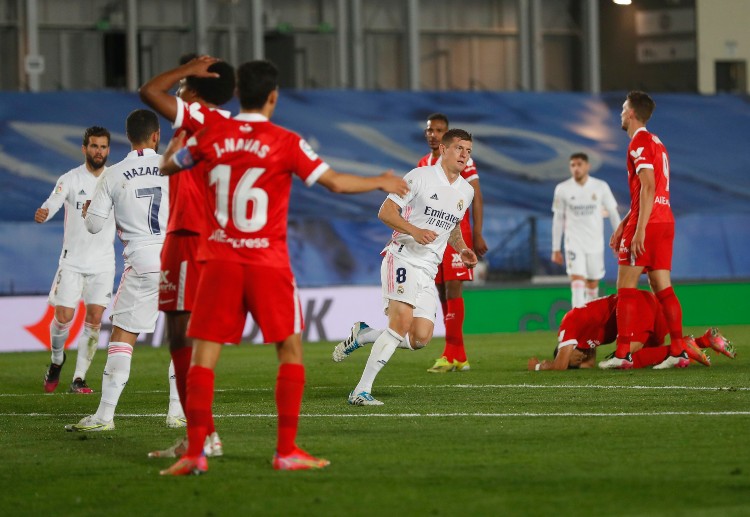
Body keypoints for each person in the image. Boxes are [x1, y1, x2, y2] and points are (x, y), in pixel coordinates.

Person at [157, 59, 409, 475]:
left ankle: (195, 453)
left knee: (203, 357)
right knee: (289, 350)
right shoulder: (285, 141)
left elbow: (169, 166)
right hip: (266, 263)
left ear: (238, 93)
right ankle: (286, 450)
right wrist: (380, 179)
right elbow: (335, 183)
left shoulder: (211, 134)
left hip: (219, 258)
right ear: (273, 97)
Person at [335, 128, 477, 406]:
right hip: (402, 257)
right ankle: (360, 391)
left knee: (420, 338)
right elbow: (385, 211)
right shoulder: (419, 176)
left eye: (469, 151)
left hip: (428, 269)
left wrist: (462, 249)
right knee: (399, 324)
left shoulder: (466, 191)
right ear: (445, 150)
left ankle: (363, 335)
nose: (464, 155)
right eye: (459, 148)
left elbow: (454, 226)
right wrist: (413, 230)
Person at [139, 54, 235, 458]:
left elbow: (148, 91)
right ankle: (203, 433)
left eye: (185, 83)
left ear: (195, 87)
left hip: (188, 234)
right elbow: (169, 167)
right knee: (193, 339)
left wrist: (184, 69)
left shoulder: (196, 115)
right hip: (212, 238)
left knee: (181, 337)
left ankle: (202, 437)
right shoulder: (224, 126)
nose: (177, 89)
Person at [65, 109, 169, 432]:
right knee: (184, 336)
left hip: (141, 261)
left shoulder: (114, 173)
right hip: (179, 259)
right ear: (156, 136)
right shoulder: (175, 166)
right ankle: (178, 412)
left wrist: (86, 210)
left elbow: (95, 225)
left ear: (128, 138)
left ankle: (104, 416)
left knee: (123, 336)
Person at [599, 91, 688, 370]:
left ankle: (623, 353)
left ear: (632, 114)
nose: (621, 113)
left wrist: (637, 231)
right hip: (664, 221)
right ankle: (678, 350)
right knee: (662, 287)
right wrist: (625, 223)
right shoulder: (657, 143)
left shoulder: (638, 142)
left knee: (625, 287)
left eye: (624, 109)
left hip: (648, 225)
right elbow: (648, 192)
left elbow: (647, 186)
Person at [36, 126, 115, 394]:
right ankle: (57, 360)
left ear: (108, 150)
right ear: (84, 149)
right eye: (94, 146)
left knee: (94, 320)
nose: (99, 151)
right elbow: (53, 201)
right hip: (72, 262)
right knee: (63, 318)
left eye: (103, 147)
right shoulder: (70, 178)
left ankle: (79, 378)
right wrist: (45, 213)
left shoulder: (115, 179)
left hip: (103, 263)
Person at [418, 113, 488, 373]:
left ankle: (450, 353)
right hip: (435, 236)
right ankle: (459, 355)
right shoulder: (424, 163)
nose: (432, 135)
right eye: (429, 130)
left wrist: (478, 233)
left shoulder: (464, 162)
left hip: (458, 233)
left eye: (438, 130)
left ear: (447, 137)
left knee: (453, 289)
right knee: (441, 292)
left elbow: (476, 196)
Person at [527, 291, 735, 371]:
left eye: (575, 358)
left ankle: (684, 346)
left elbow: (561, 365)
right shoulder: (585, 343)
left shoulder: (567, 325)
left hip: (633, 307)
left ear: (563, 347)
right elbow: (590, 365)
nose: (581, 358)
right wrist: (578, 365)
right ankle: (704, 340)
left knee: (624, 360)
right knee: (648, 358)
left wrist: (539, 367)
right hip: (647, 305)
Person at [551, 152, 620, 308]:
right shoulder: (562, 189)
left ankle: (590, 324)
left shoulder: (600, 187)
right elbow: (558, 219)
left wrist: (619, 239)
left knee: (592, 284)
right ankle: (577, 325)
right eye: (573, 165)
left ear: (587, 166)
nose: (576, 168)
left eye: (579, 164)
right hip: (574, 242)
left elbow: (613, 213)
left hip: (594, 243)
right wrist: (556, 248)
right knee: (577, 281)